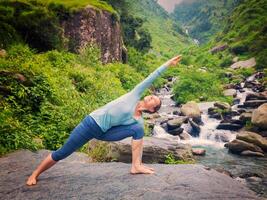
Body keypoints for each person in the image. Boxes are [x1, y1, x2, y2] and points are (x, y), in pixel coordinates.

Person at [26, 55, 182, 186]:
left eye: (154, 99)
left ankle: (136, 166)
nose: (151, 96)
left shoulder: (138, 121)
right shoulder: (135, 94)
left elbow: (138, 144)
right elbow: (152, 76)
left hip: (104, 132)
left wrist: (140, 161)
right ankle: (35, 173)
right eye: (152, 95)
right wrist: (168, 63)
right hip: (91, 124)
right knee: (62, 153)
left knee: (139, 130)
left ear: (153, 109)